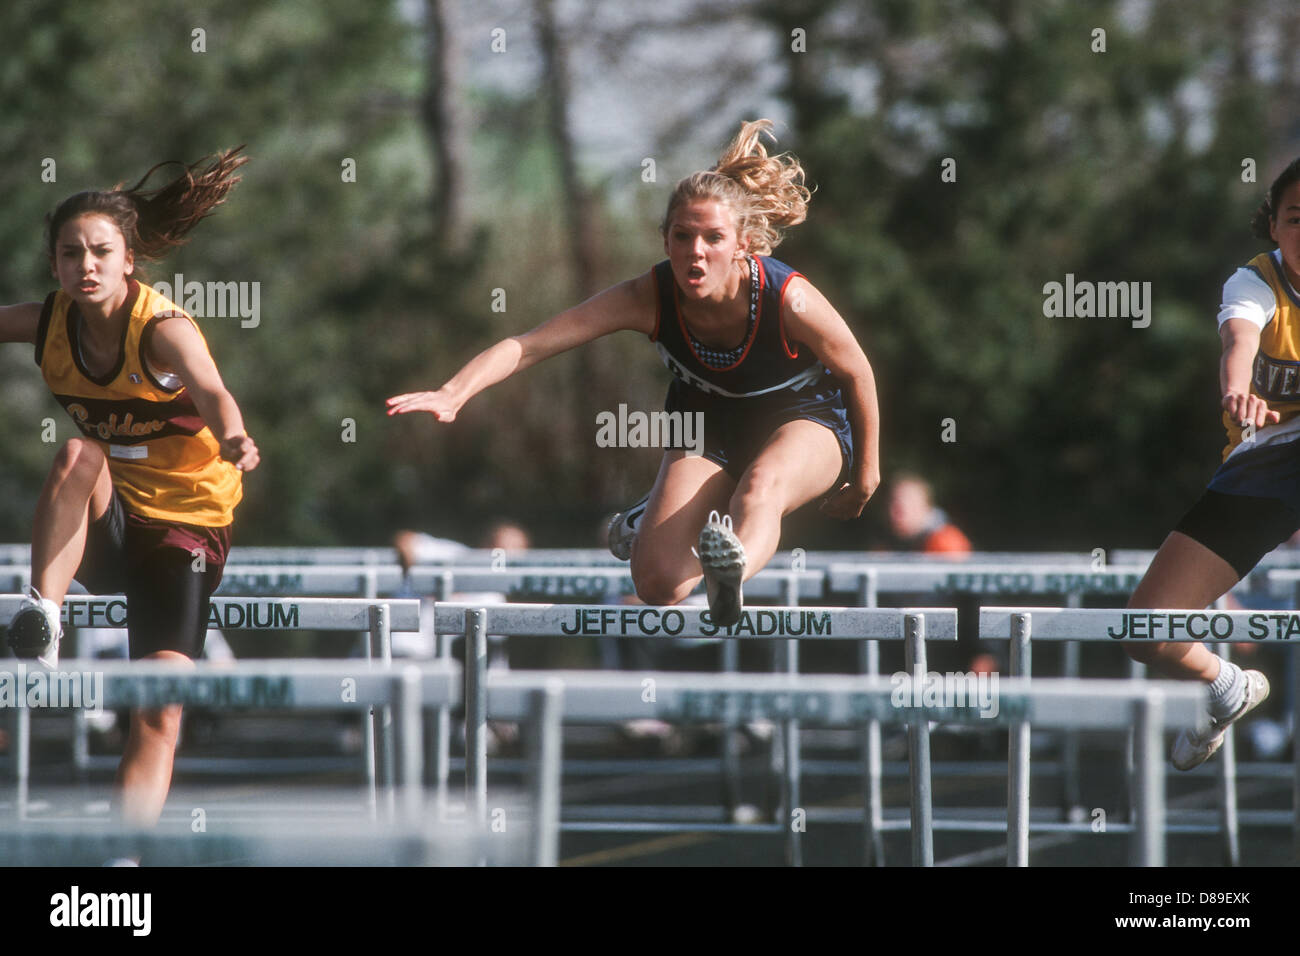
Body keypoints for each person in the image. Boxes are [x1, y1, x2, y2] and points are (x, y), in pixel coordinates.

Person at [388, 120, 881, 625]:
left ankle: (727, 579)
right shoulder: (646, 297)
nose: (696, 251)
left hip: (804, 418)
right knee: (658, 585)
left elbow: (858, 371)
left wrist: (866, 475)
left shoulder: (789, 297)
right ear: (665, 240)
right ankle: (680, 543)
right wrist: (453, 392)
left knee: (760, 488)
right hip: (706, 424)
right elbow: (530, 346)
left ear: (744, 244)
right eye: (683, 236)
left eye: (714, 238)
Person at [0, 148, 259, 826]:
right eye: (69, 253)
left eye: (100, 252)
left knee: (159, 709)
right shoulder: (47, 322)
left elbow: (214, 390)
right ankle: (43, 622)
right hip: (108, 524)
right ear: (54, 264)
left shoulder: (165, 330)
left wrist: (233, 436)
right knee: (79, 454)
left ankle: (123, 857)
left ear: (128, 261)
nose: (85, 266)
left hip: (183, 532)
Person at [1125, 157, 1300, 770]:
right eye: (1294, 218)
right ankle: (1227, 683)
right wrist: (1238, 387)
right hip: (1262, 467)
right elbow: (1239, 342)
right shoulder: (1253, 284)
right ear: (1273, 227)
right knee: (1145, 630)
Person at [886, 474, 971, 554]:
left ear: (926, 506)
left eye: (909, 501)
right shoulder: (893, 544)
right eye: (893, 502)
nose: (896, 512)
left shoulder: (946, 542)